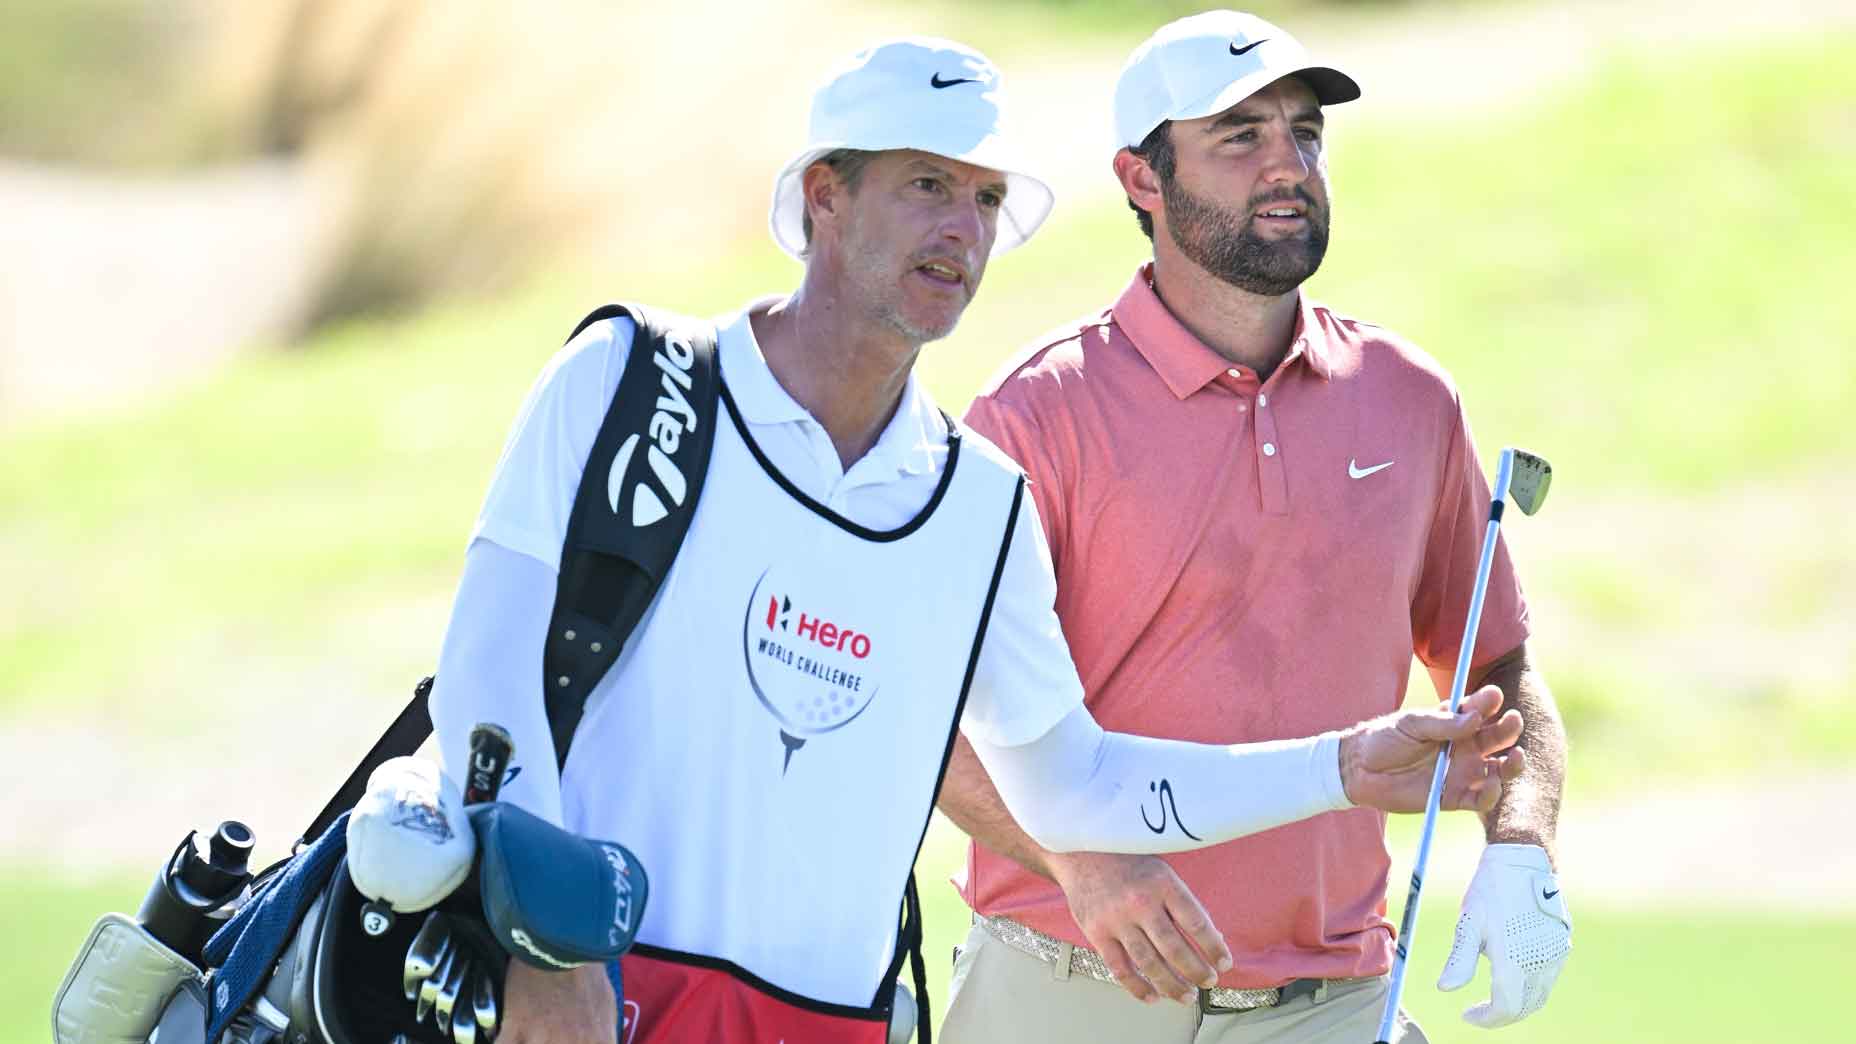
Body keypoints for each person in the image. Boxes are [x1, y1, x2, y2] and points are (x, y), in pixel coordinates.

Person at [427, 35, 1525, 1044]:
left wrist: (1336, 767)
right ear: (824, 196)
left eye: (986, 198)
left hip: (826, 1018)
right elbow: (486, 683)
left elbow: (1073, 785)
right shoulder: (630, 379)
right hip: (580, 986)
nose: (962, 228)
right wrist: (548, 944)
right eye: (925, 186)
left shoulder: (973, 498)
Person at [937, 11, 1573, 1044]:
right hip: (1067, 988)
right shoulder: (1033, 414)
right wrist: (1081, 862)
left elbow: (1496, 666)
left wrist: (1521, 847)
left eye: (1304, 134)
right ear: (1142, 180)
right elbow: (931, 716)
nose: (1287, 166)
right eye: (1239, 137)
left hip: (1323, 1000)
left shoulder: (1407, 399)